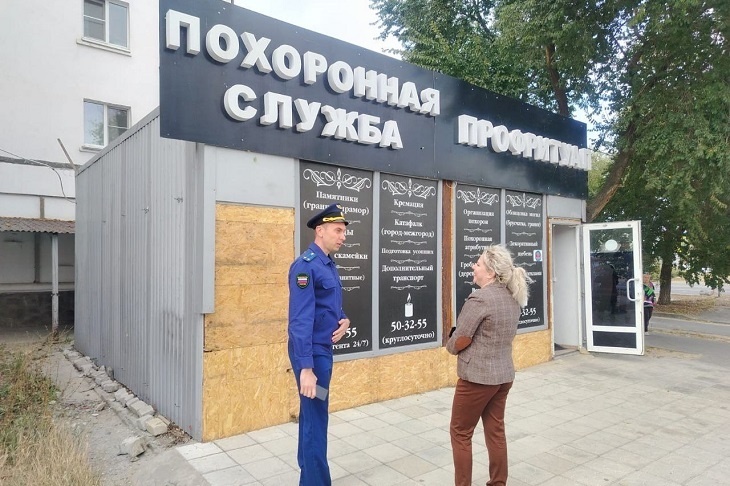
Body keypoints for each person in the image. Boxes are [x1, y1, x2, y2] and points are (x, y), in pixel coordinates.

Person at [446, 245, 531, 486]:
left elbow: (461, 338)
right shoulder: (511, 296)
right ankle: (498, 482)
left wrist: (450, 346)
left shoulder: (480, 298)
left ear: (491, 272)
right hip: (503, 376)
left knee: (460, 433)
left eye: (478, 264)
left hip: (477, 378)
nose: (473, 267)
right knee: (495, 431)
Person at [288, 203, 351, 486]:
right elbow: (299, 320)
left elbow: (328, 305)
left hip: (321, 351)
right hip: (312, 354)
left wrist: (344, 319)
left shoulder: (327, 264)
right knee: (316, 419)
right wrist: (306, 368)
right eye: (338, 230)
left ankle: (308, 476)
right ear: (320, 230)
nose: (343, 236)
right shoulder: (306, 266)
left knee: (312, 414)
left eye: (344, 231)